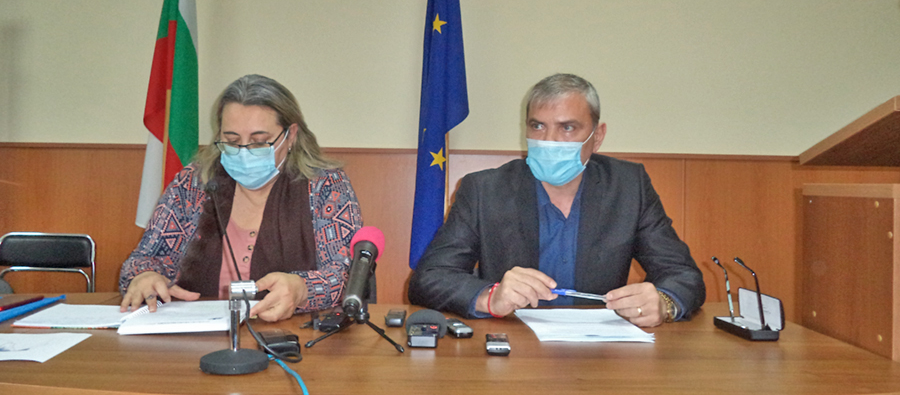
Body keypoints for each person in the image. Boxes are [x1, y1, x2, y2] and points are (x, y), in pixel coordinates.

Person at [408, 73, 704, 326]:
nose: (549, 140)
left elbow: (683, 274)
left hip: (601, 352)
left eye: (567, 127)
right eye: (538, 126)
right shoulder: (484, 190)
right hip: (513, 347)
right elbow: (428, 278)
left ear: (597, 136)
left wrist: (664, 302)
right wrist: (490, 297)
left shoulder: (629, 186)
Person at [119, 74, 363, 322]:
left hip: (295, 335)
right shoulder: (194, 183)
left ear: (291, 136)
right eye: (232, 141)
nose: (244, 152)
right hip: (194, 333)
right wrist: (144, 277)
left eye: (259, 142)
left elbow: (348, 274)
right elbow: (143, 260)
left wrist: (304, 289)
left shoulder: (325, 186)